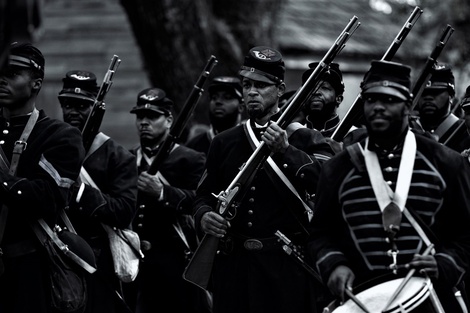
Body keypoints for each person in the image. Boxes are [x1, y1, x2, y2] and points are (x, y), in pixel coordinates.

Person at [308, 59, 470, 312]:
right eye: (371, 100)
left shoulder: (446, 163)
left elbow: (465, 232)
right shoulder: (337, 168)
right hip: (362, 296)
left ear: (407, 105)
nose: (378, 108)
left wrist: (445, 263)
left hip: (428, 298)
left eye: (390, 100)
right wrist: (334, 265)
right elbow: (320, 233)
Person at [192, 46, 335, 313]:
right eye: (247, 85)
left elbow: (329, 184)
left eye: (261, 85)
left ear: (280, 90)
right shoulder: (224, 142)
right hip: (234, 268)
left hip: (286, 267)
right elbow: (202, 195)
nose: (251, 92)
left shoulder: (305, 138)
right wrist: (204, 216)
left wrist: (287, 152)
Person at [0, 42, 85, 312]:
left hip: (28, 271)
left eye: (13, 73)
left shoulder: (59, 136)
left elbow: (48, 197)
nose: (2, 79)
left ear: (36, 83)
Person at [57, 70, 138, 313]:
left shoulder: (117, 156)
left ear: (96, 109)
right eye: (69, 104)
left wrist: (80, 191)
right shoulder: (52, 145)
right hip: (57, 255)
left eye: (82, 106)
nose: (73, 112)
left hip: (97, 259)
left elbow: (124, 211)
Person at [127, 87, 210, 313]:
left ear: (169, 120)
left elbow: (202, 201)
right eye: (140, 117)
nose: (144, 122)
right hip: (136, 263)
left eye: (153, 116)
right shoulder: (127, 158)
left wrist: (163, 192)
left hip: (176, 262)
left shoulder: (190, 159)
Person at [413, 63, 468, 152]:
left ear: (451, 97)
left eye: (436, 92)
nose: (428, 97)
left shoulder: (465, 131)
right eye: (423, 93)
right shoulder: (407, 129)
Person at [186, 76, 244, 154]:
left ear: (241, 107)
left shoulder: (250, 142)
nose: (218, 102)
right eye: (214, 97)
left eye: (227, 97)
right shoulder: (193, 147)